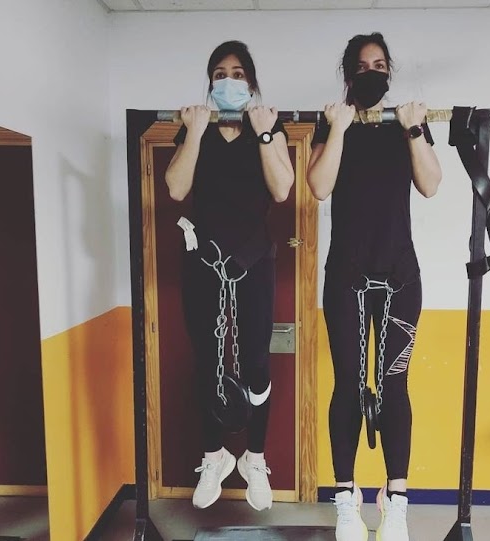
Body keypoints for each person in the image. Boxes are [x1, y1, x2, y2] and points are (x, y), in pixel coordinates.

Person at [306, 32, 442, 541]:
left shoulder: (405, 124)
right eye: (363, 66)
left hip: (400, 276)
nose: (372, 72)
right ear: (349, 75)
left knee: (394, 387)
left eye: (380, 65)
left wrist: (414, 129)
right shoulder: (331, 122)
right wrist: (339, 128)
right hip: (347, 276)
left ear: (389, 72)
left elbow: (431, 184)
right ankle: (347, 501)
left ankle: (396, 502)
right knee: (347, 384)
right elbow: (319, 186)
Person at [164, 40, 294, 512]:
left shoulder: (268, 126)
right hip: (205, 262)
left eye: (238, 74)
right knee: (208, 362)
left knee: (256, 364)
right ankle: (214, 455)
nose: (228, 80)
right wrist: (195, 132)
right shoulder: (194, 128)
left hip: (254, 262)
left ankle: (254, 458)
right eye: (220, 73)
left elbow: (282, 189)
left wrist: (265, 134)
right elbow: (176, 188)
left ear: (251, 82)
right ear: (210, 82)